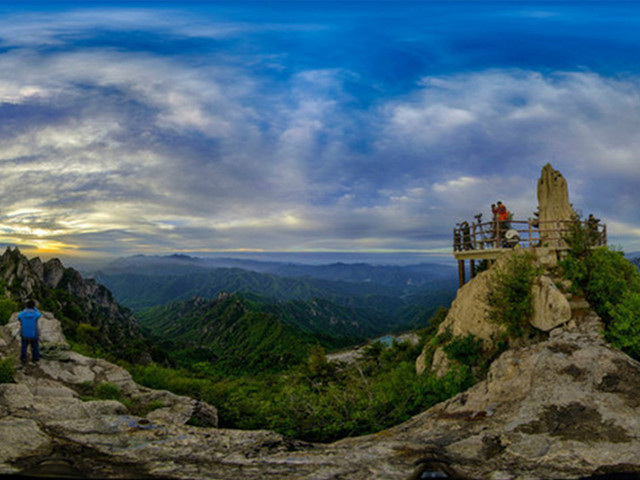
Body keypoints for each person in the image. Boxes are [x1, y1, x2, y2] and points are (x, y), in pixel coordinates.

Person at [18, 299, 41, 364]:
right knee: (35, 345)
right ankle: (36, 358)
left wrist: (25, 309)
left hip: (24, 333)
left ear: (26, 306)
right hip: (34, 334)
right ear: (34, 306)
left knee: (24, 346)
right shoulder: (36, 314)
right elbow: (39, 315)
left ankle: (23, 358)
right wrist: (35, 309)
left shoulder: (22, 314)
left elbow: (19, 317)